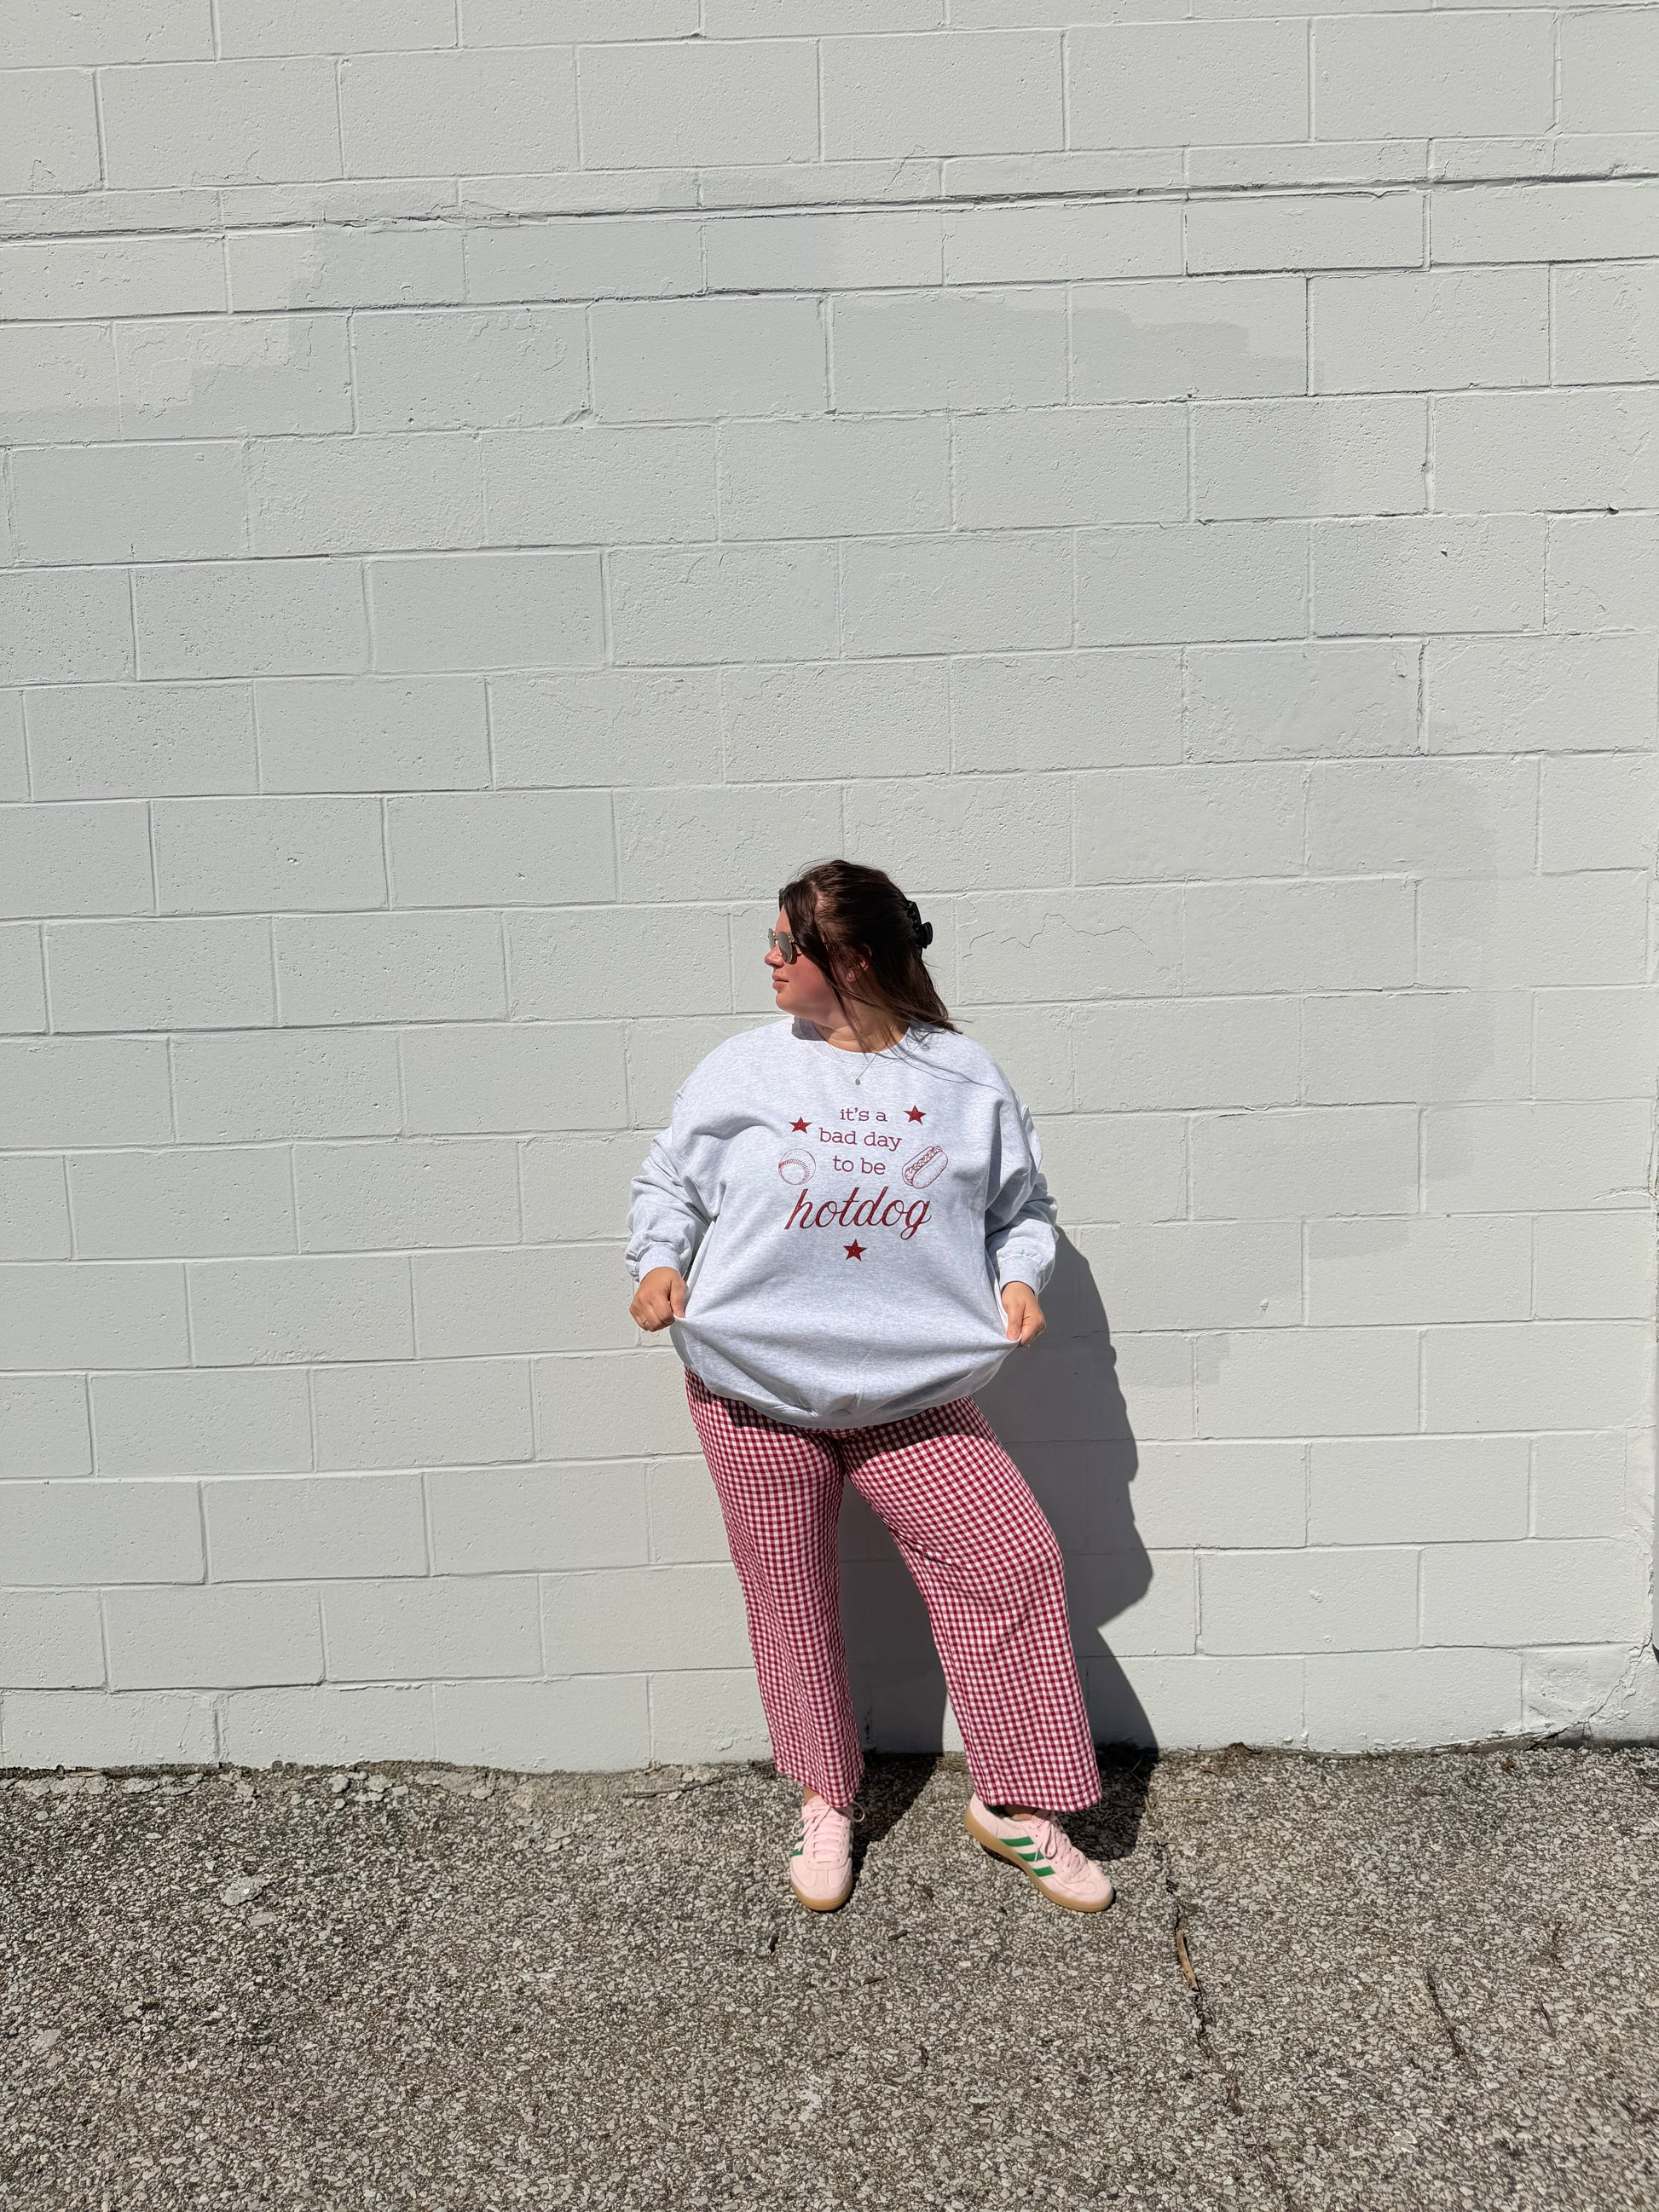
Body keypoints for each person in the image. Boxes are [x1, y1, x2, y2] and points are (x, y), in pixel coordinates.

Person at [625, 859, 1112, 1918]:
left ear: (847, 960)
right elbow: (669, 1184)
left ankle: (1013, 1803)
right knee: (789, 1597)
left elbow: (1021, 1209)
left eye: (785, 943)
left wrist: (1019, 1279)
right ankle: (824, 1799)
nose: (767, 958)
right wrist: (658, 1262)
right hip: (753, 1383)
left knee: (1010, 1561)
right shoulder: (742, 1068)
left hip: (913, 1391)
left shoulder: (962, 1079)